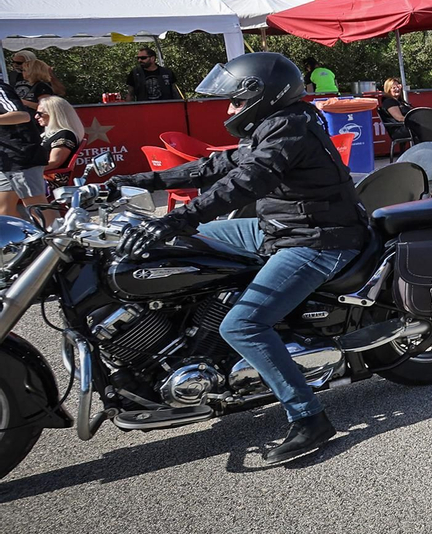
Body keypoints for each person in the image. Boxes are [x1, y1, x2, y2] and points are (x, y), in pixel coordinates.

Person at [105, 53, 368, 465]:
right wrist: (137, 181)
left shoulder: (290, 128)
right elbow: (218, 165)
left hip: (318, 239)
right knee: (186, 248)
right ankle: (190, 338)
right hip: (276, 228)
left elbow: (245, 182)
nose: (229, 110)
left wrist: (178, 217)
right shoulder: (276, 123)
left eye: (236, 101)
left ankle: (309, 418)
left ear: (263, 95)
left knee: (244, 324)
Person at [0, 78, 48, 219]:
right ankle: (25, 239)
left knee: (38, 209)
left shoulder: (1, 89)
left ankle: (59, 239)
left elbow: (22, 115)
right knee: (4, 213)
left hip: (21, 156)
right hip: (5, 161)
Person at [36, 95, 84, 171]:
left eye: (40, 113)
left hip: (49, 180)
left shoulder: (65, 135)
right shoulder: (52, 134)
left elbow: (54, 163)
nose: (36, 117)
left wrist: (28, 171)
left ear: (53, 114)